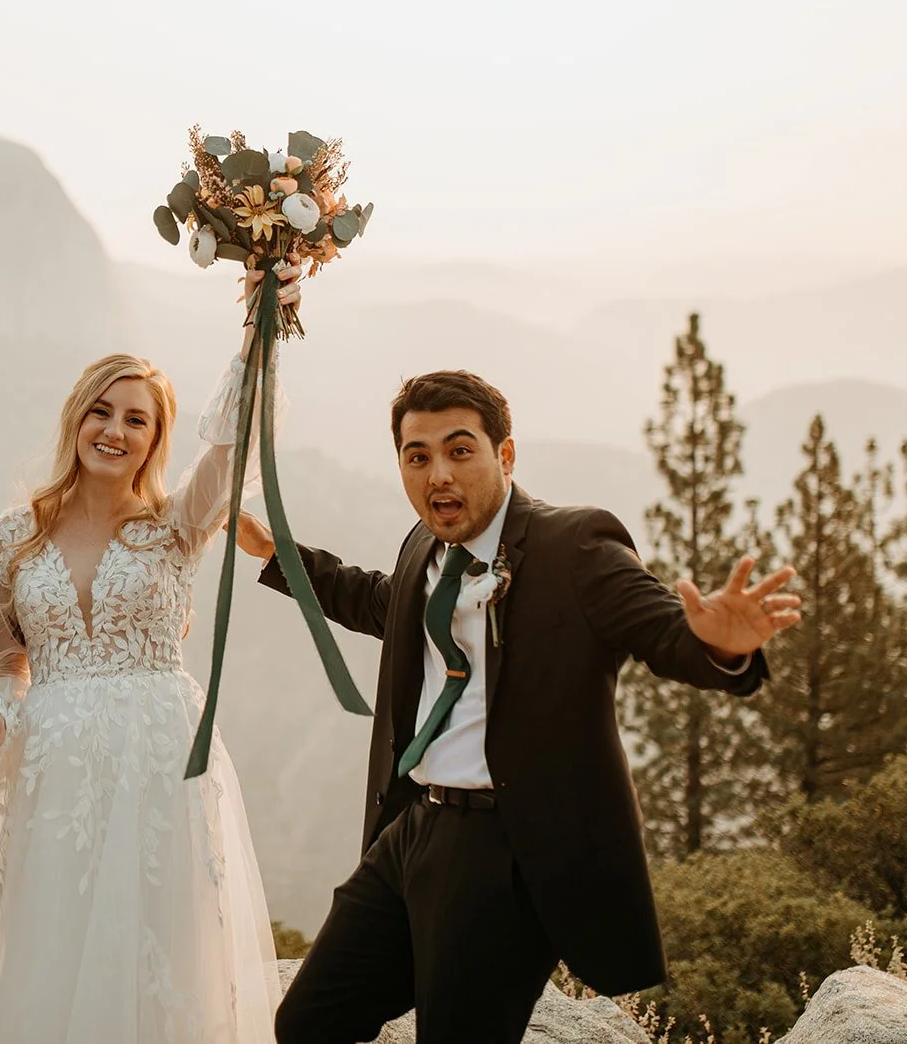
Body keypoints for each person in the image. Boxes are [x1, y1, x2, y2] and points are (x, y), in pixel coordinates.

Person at [235, 369, 802, 1044]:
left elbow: (659, 630)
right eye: (418, 456)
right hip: (410, 827)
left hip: (503, 852)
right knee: (308, 1021)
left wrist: (716, 644)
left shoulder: (576, 547)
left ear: (504, 455)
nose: (438, 473)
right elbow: (378, 601)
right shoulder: (424, 543)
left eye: (460, 449)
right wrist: (278, 554)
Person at [0, 265, 311, 1044]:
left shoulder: (179, 524)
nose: (115, 429)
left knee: (162, 960)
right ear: (76, 419)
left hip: (159, 763)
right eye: (101, 411)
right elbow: (8, 662)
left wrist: (259, 326)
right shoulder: (15, 534)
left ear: (156, 437)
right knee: (47, 957)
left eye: (136, 419)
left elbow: (237, 440)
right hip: (54, 775)